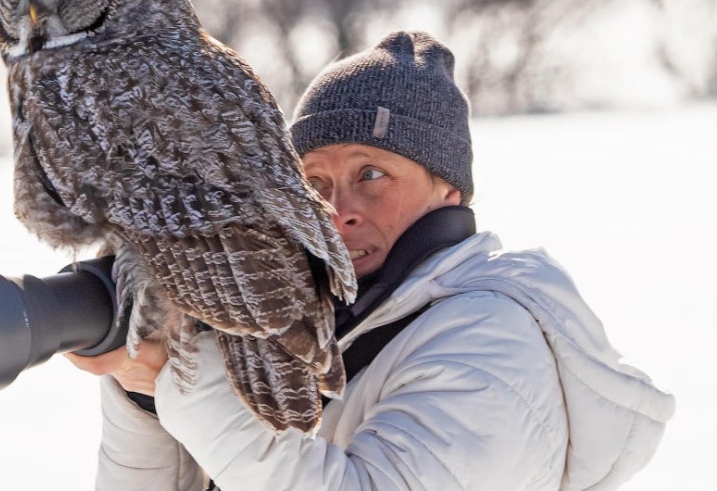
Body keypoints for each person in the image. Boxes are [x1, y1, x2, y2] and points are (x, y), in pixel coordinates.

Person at [67, 30, 674, 490]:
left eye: (372, 174)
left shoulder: (492, 336)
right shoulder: (312, 327)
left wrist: (187, 383)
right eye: (312, 181)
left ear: (449, 191)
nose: (337, 210)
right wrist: (145, 397)